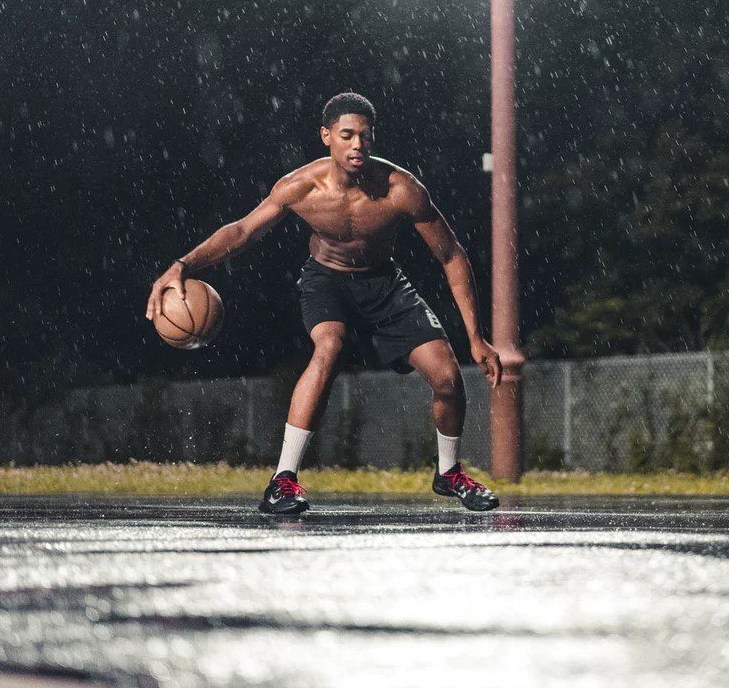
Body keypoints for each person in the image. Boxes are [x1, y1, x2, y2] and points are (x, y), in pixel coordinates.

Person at [145, 92, 502, 514]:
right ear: (326, 136)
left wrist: (476, 336)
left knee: (447, 376)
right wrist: (181, 265)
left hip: (384, 284)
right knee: (329, 346)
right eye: (347, 135)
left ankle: (448, 474)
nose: (356, 145)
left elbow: (450, 254)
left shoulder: (402, 190)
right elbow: (243, 231)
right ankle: (283, 480)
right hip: (326, 280)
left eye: (364, 137)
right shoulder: (301, 186)